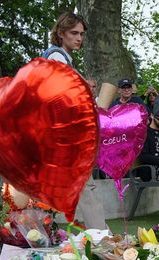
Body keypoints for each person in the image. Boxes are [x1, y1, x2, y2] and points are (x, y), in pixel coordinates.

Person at [43, 12, 107, 230]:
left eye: (81, 34)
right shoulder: (57, 58)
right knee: (84, 185)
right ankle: (100, 235)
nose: (79, 38)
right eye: (74, 33)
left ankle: (91, 233)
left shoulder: (61, 58)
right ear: (60, 33)